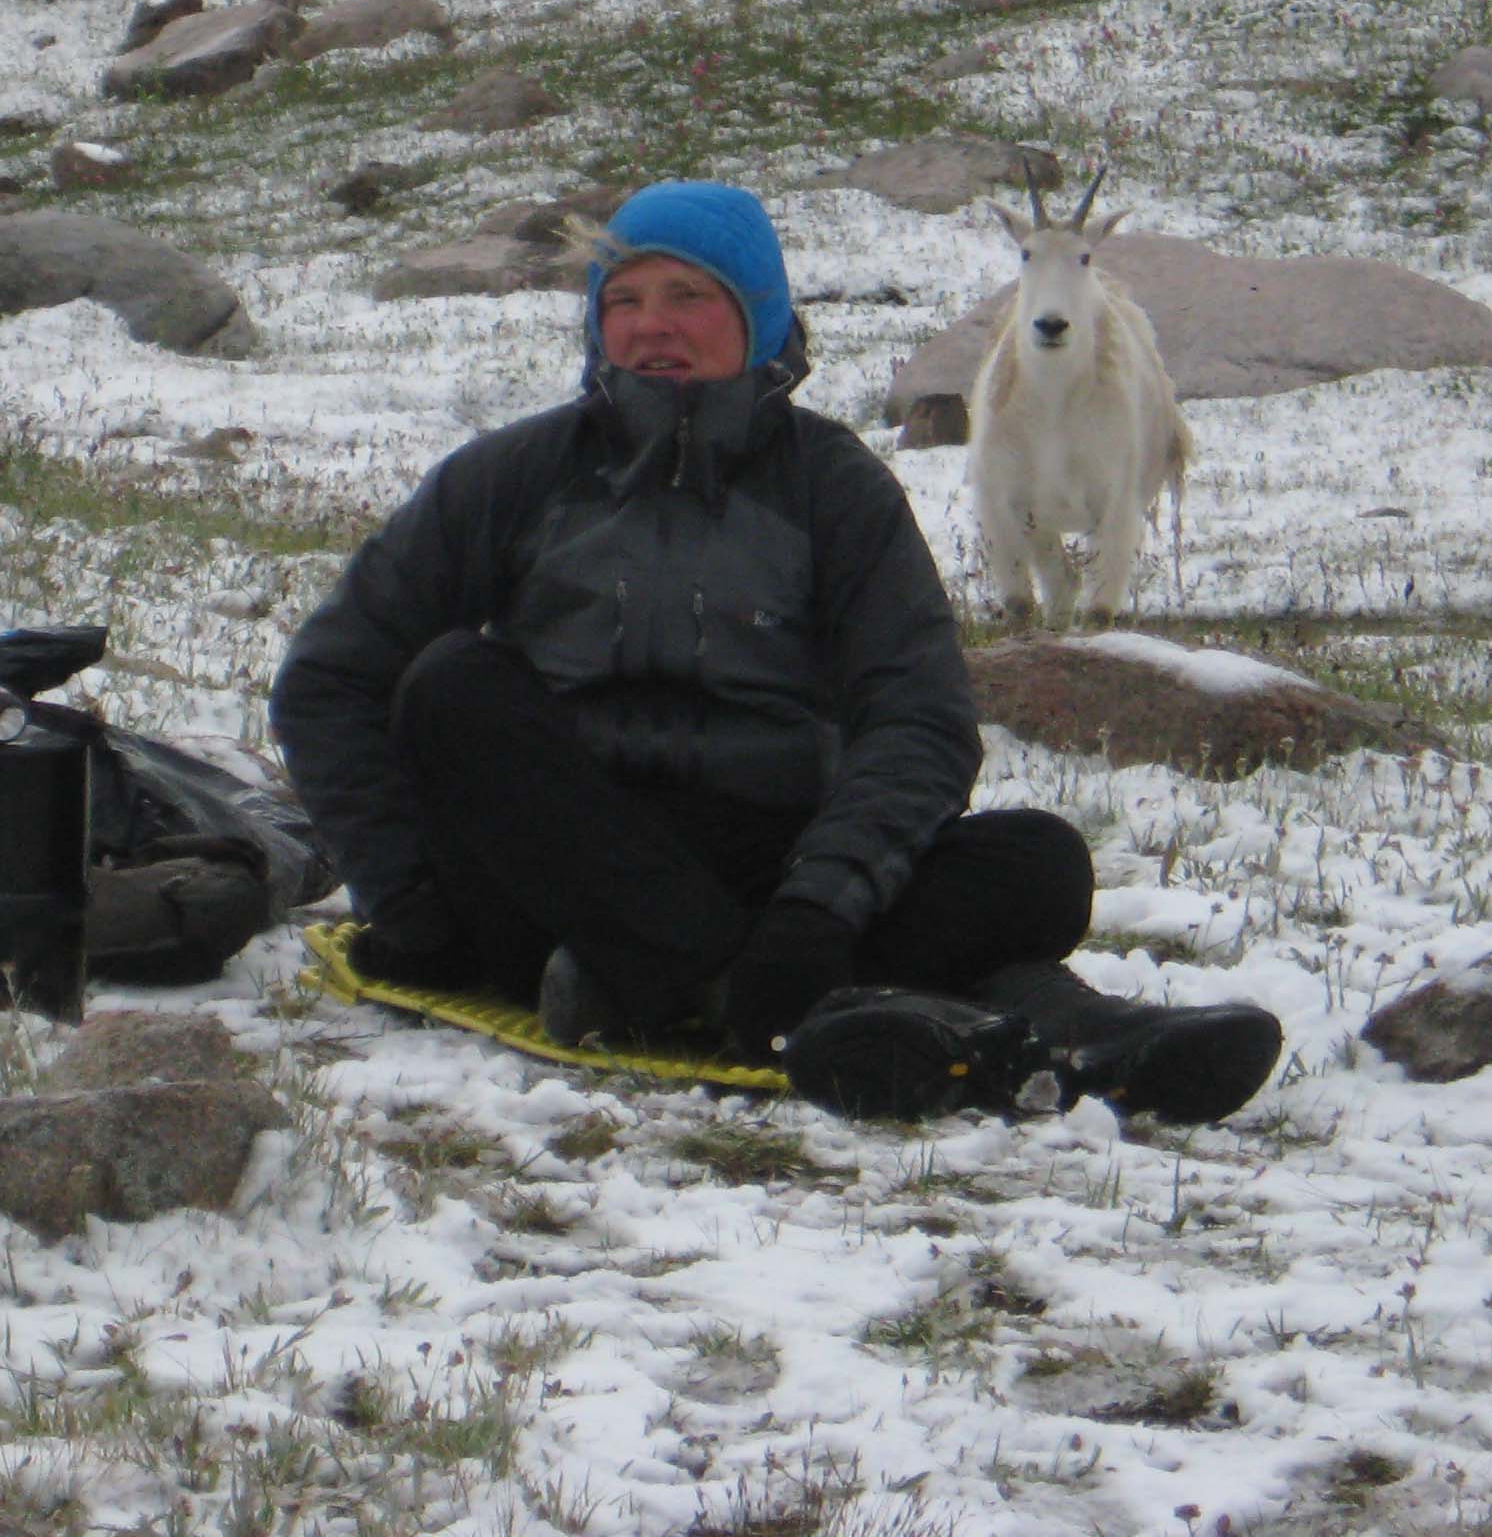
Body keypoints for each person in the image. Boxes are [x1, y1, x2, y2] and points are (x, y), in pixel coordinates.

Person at [269, 181, 1280, 1125]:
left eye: (688, 297)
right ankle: (766, 995)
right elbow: (330, 679)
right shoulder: (517, 475)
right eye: (623, 300)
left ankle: (1060, 1034)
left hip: (769, 865)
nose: (652, 325)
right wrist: (409, 899)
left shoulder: (833, 488)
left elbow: (920, 719)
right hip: (560, 871)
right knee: (452, 687)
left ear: (755, 316)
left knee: (1039, 864)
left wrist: (815, 910)